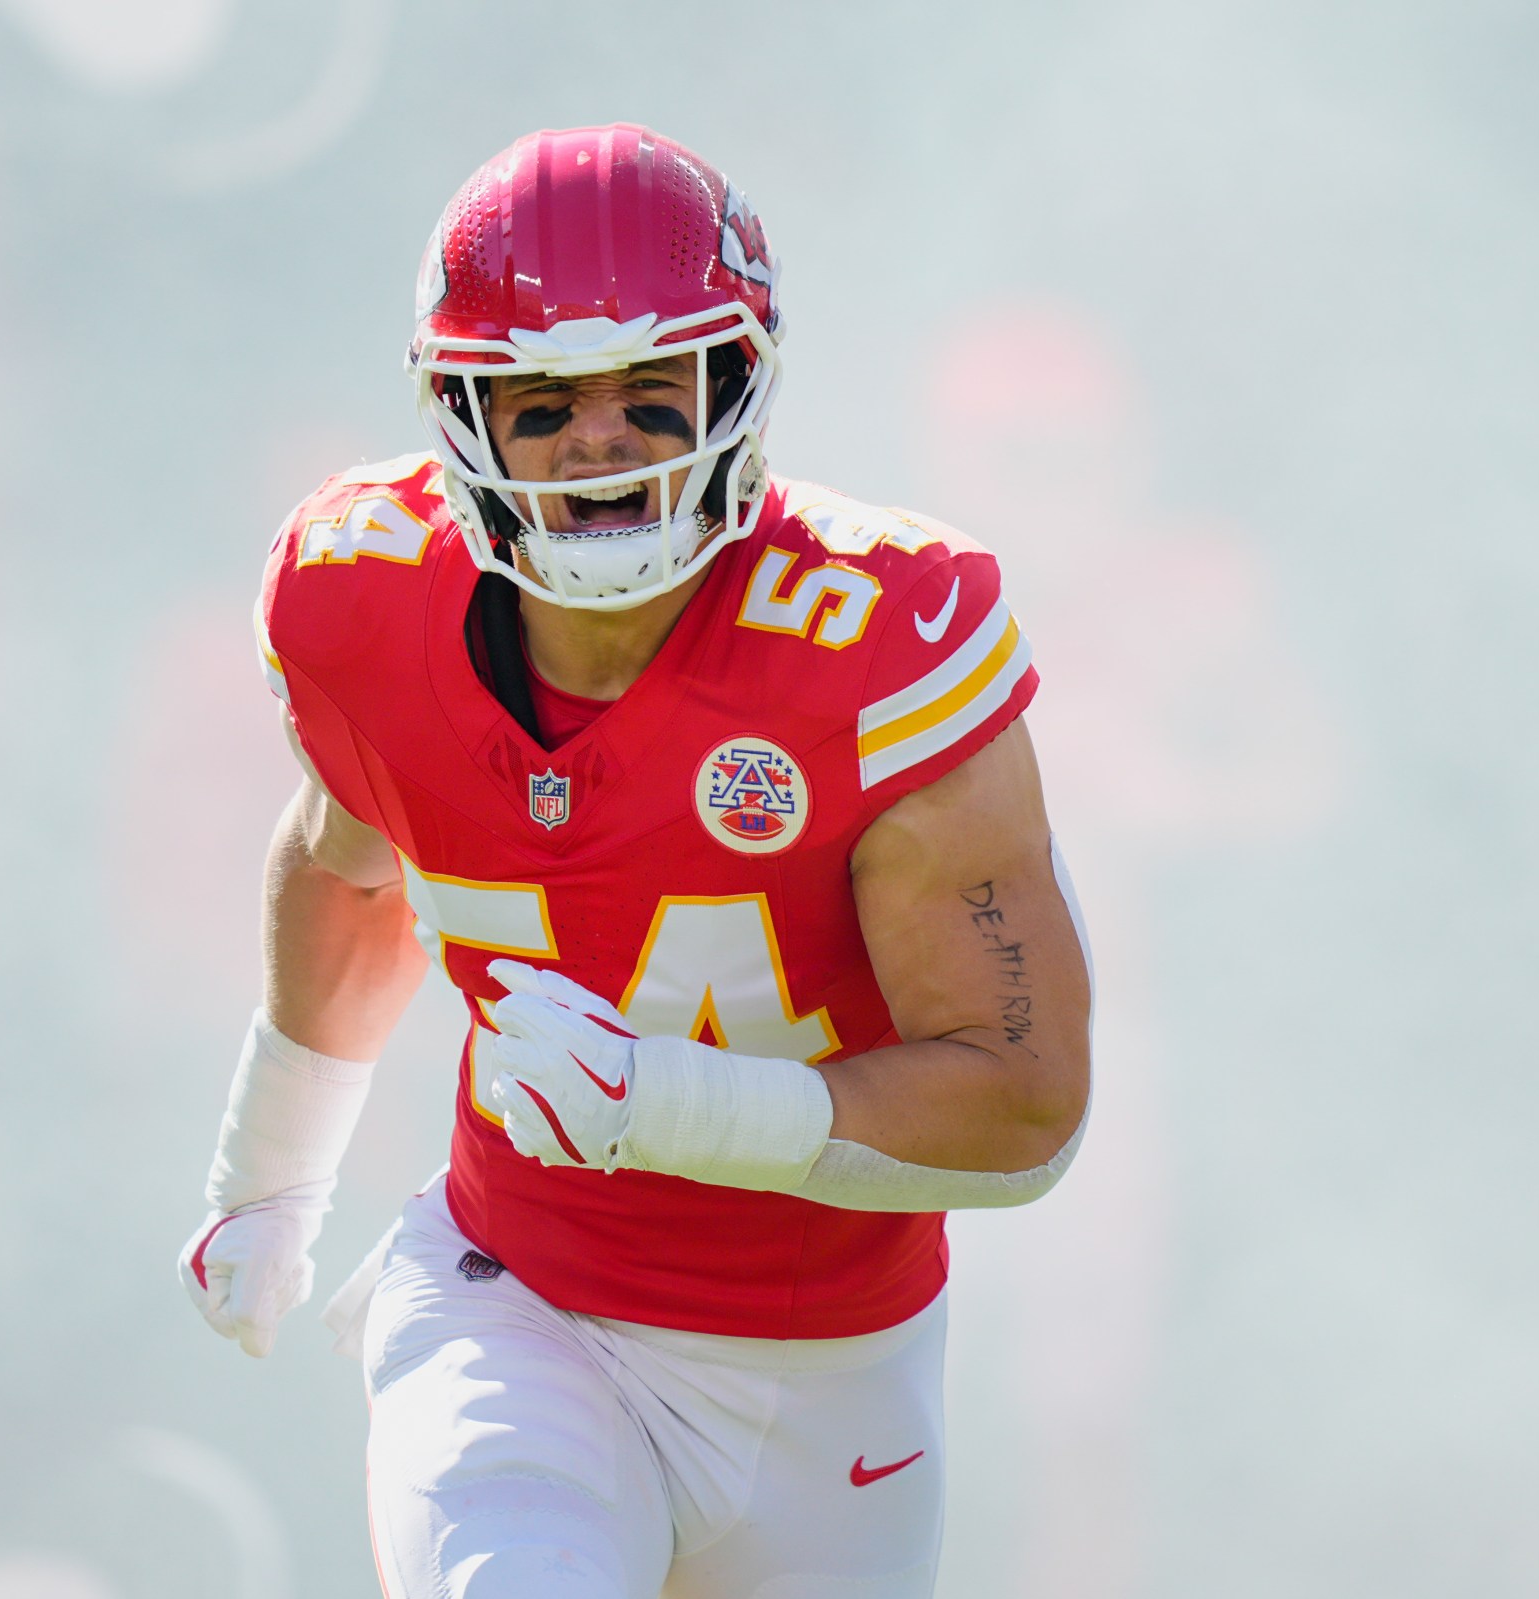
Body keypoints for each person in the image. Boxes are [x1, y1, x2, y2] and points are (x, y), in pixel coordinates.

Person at [177, 123, 1095, 1599]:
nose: (597, 440)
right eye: (543, 401)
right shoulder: (364, 597)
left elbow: (1025, 1106)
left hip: (829, 1377)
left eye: (648, 391)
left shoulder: (877, 643)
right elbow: (353, 866)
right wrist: (272, 1166)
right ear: (462, 414)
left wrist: (666, 1107)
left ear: (735, 388)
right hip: (519, 1304)